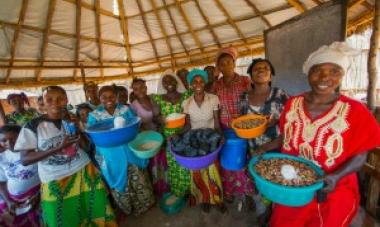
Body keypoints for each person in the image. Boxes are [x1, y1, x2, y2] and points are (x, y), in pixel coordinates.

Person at [256, 42, 380, 227]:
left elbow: (360, 154)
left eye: (334, 71)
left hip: (333, 188)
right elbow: (287, 137)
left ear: (342, 75)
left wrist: (336, 177)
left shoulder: (355, 111)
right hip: (292, 184)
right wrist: (264, 148)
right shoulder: (293, 104)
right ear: (308, 73)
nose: (325, 77)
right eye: (318, 70)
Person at [14, 86, 117, 227]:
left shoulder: (70, 118)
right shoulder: (32, 126)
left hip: (84, 170)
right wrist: (58, 147)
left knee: (96, 209)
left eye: (60, 99)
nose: (55, 103)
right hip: (54, 178)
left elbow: (83, 145)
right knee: (62, 217)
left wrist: (78, 130)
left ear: (66, 100)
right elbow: (25, 159)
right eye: (49, 99)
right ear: (43, 103)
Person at [88, 85, 155, 216]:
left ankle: (145, 204)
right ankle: (129, 209)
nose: (109, 99)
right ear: (99, 98)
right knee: (120, 182)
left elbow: (135, 125)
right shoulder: (94, 115)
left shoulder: (125, 109)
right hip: (110, 155)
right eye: (104, 97)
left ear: (116, 97)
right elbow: (93, 135)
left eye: (112, 96)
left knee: (139, 178)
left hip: (129, 150)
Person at [239, 58, 288, 223]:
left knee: (275, 180)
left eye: (265, 68)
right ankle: (264, 208)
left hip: (275, 146)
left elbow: (291, 123)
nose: (260, 70)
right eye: (256, 69)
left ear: (271, 75)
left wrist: (277, 123)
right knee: (259, 179)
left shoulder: (279, 95)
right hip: (252, 146)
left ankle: (273, 211)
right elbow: (242, 123)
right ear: (251, 76)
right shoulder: (244, 97)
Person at [211, 46, 253, 209]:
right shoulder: (216, 84)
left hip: (244, 127)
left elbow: (253, 101)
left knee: (243, 160)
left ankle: (247, 192)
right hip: (225, 128)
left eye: (228, 62)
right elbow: (208, 96)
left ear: (234, 63)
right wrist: (214, 78)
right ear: (218, 67)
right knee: (227, 162)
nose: (225, 65)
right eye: (221, 63)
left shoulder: (244, 80)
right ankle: (229, 191)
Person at [181, 69, 224, 213]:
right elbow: (187, 125)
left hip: (210, 137)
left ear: (205, 83)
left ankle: (217, 199)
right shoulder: (186, 103)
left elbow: (217, 122)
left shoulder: (213, 99)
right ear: (190, 85)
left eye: (200, 81)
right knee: (198, 172)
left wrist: (220, 136)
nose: (198, 84)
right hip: (194, 139)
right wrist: (176, 134)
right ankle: (204, 199)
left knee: (214, 171)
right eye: (194, 82)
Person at [152, 70, 191, 206]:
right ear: (162, 85)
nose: (169, 83)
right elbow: (155, 118)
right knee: (174, 164)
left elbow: (190, 115)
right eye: (165, 81)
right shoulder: (158, 99)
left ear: (177, 81)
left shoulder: (186, 95)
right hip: (169, 136)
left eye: (171, 80)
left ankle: (191, 191)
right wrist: (159, 119)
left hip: (185, 132)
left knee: (188, 161)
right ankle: (179, 191)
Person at [130, 78, 168, 197]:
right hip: (148, 139)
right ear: (133, 91)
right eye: (136, 89)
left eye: (142, 87)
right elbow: (134, 125)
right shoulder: (133, 106)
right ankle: (158, 189)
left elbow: (162, 113)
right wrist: (145, 131)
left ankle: (167, 185)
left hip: (161, 134)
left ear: (146, 87)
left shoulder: (154, 98)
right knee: (153, 164)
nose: (139, 90)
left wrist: (161, 120)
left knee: (164, 161)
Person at [0, 125, 41, 227]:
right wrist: (8, 201)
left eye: (13, 138)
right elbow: (2, 182)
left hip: (39, 195)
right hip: (15, 200)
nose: (9, 143)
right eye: (4, 140)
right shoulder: (2, 158)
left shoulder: (34, 151)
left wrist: (40, 195)